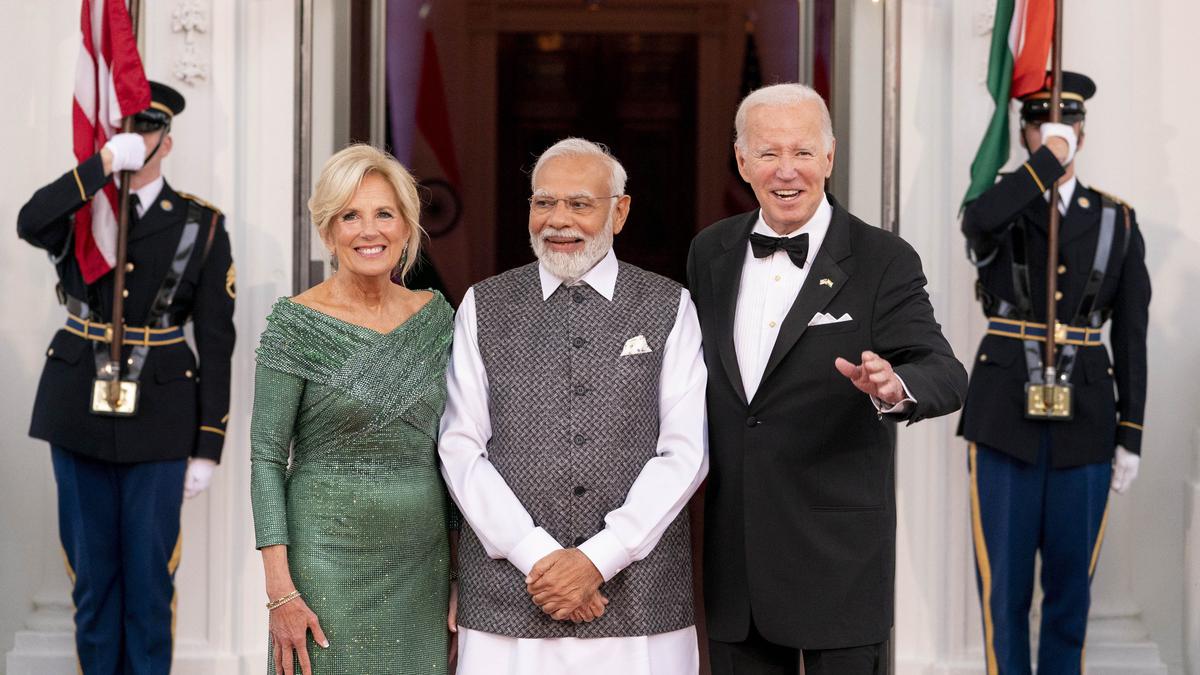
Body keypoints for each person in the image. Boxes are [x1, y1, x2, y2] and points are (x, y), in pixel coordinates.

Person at [687, 83, 967, 675]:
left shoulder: (883, 257)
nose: (786, 171)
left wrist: (895, 388)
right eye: (768, 154)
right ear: (742, 161)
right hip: (737, 565)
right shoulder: (709, 252)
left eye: (803, 152)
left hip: (838, 561)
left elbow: (945, 370)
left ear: (830, 157)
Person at [438, 137, 708, 674]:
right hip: (507, 595)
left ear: (620, 211)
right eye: (544, 202)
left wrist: (597, 559)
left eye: (579, 204)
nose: (558, 220)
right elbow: (461, 447)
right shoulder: (482, 304)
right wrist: (539, 558)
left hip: (641, 597)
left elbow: (686, 452)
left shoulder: (668, 303)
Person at [17, 81, 234, 673]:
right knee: (91, 585)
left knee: (147, 584)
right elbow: (29, 220)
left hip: (162, 424)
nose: (137, 140)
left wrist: (208, 445)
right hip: (76, 413)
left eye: (145, 131)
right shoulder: (82, 211)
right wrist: (102, 164)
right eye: (124, 132)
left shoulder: (201, 225)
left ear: (166, 141)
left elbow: (216, 341)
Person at [959, 71, 1150, 675]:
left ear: (1084, 137)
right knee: (1005, 590)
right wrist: (1046, 163)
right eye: (1043, 124)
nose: (1056, 136)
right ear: (1026, 134)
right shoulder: (998, 209)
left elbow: (1133, 335)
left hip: (1088, 422)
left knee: (1071, 593)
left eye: (1067, 128)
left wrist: (1131, 435)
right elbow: (978, 219)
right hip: (1003, 420)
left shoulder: (1117, 220)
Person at [250, 144, 456, 674]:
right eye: (351, 216)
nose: (370, 230)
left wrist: (462, 576)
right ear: (328, 232)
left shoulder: (437, 320)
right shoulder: (295, 324)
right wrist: (279, 592)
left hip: (421, 564)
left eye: (384, 214)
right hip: (323, 561)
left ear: (407, 227)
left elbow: (457, 451)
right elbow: (267, 458)